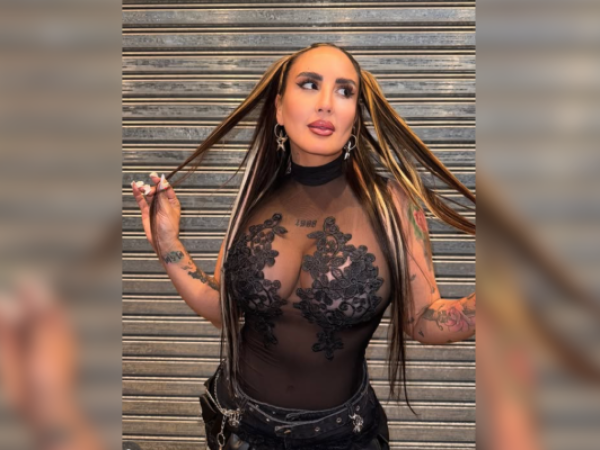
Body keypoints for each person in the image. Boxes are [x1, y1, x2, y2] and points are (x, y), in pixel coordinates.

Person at [131, 43, 476, 450]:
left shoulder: (393, 205)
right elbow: (220, 308)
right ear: (279, 108)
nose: (327, 103)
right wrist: (167, 243)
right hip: (239, 428)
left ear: (355, 115)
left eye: (345, 91)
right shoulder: (256, 197)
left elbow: (422, 320)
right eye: (310, 84)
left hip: (340, 438)